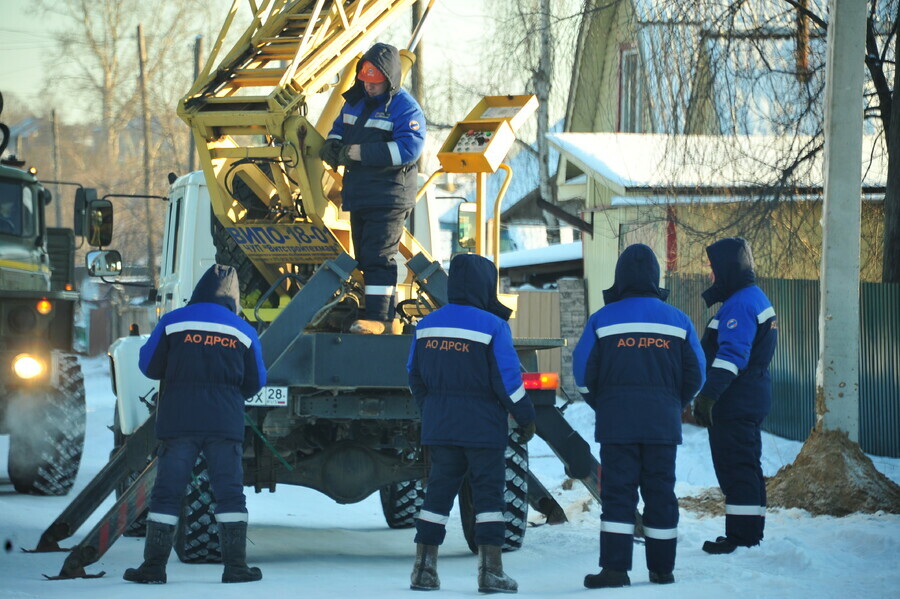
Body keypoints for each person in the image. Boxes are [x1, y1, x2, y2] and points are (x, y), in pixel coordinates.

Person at [572, 244, 705, 588]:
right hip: (662, 424)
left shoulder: (602, 319)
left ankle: (615, 569)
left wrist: (602, 404)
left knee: (618, 493)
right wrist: (675, 403)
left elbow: (583, 374)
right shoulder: (679, 320)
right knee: (661, 492)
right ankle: (662, 569)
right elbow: (698, 374)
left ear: (620, 278)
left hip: (617, 425)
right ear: (654, 278)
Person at [124, 264, 267, 584]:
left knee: (167, 491)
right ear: (233, 298)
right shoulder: (243, 330)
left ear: (199, 291)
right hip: (224, 423)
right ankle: (235, 568)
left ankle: (153, 568)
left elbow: (149, 365)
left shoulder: (173, 321)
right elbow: (256, 381)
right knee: (229, 494)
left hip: (178, 421)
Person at [406, 253, 536, 594]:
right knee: (489, 500)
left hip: (441, 427)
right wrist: (526, 418)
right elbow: (508, 381)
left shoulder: (426, 325)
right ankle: (490, 573)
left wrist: (433, 408)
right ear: (484, 285)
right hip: (483, 430)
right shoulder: (493, 326)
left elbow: (414, 375)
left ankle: (423, 571)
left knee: (436, 496)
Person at [319, 42, 426, 335]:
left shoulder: (405, 108)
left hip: (389, 196)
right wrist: (333, 143)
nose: (369, 88)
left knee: (379, 256)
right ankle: (374, 315)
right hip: (362, 194)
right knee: (366, 258)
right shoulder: (354, 100)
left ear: (388, 80)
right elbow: (340, 126)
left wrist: (356, 153)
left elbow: (408, 149)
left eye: (375, 84)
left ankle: (381, 319)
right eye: (365, 82)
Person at [692, 237, 777, 554]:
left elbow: (731, 356)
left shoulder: (739, 305)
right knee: (747, 467)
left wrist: (708, 396)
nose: (711, 277)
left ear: (727, 269)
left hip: (735, 400)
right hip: (748, 396)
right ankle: (749, 533)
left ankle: (741, 538)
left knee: (736, 469)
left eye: (714, 270)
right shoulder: (751, 298)